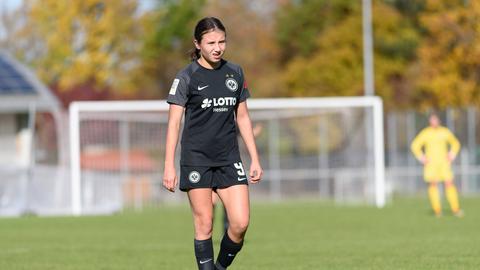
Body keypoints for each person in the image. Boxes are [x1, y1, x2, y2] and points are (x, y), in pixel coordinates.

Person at [162, 17, 263, 270]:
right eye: (210, 43)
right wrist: (169, 166)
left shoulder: (235, 72)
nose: (217, 47)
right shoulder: (187, 77)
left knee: (239, 224)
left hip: (229, 158)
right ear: (197, 44)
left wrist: (255, 158)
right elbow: (174, 124)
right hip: (197, 159)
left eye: (222, 41)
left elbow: (242, 116)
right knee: (204, 223)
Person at [411, 113, 463, 217]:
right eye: (432, 120)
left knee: (449, 183)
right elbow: (415, 145)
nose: (434, 122)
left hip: (444, 163)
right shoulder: (425, 133)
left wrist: (452, 154)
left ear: (439, 121)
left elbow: (455, 143)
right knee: (433, 184)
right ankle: (437, 210)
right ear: (430, 121)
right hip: (431, 164)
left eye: (436, 120)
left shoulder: (444, 132)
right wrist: (422, 157)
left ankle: (455, 209)